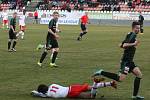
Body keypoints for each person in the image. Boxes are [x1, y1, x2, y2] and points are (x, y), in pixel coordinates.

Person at [93, 21, 144, 100]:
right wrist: (134, 44)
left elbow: (120, 45)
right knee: (120, 79)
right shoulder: (132, 35)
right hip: (126, 61)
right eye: (137, 28)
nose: (138, 29)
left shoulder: (130, 34)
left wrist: (128, 45)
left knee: (139, 75)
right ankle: (101, 72)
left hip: (130, 61)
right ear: (133, 28)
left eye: (139, 28)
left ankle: (134, 96)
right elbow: (124, 45)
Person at [31, 77, 117, 99]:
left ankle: (96, 83)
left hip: (71, 93)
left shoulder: (49, 94)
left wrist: (34, 92)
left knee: (91, 96)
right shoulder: (53, 85)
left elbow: (38, 94)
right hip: (71, 87)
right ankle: (110, 83)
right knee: (89, 87)